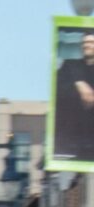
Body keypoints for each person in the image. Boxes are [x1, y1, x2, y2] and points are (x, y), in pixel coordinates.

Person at [54, 31, 94, 161]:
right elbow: (58, 92)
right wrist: (78, 82)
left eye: (91, 42)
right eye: (84, 42)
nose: (86, 45)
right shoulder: (70, 66)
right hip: (71, 141)